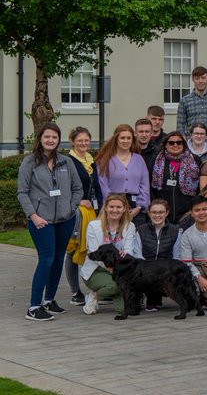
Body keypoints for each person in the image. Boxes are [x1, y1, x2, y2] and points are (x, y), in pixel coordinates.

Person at [17, 124, 83, 321]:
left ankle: (49, 300)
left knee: (57, 260)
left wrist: (71, 208)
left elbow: (78, 188)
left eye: (54, 137)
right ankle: (34, 306)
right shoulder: (29, 162)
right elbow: (22, 192)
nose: (51, 140)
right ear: (40, 138)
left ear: (58, 139)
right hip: (41, 221)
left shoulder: (66, 162)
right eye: (47, 137)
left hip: (65, 219)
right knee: (46, 259)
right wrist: (33, 216)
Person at [80, 193, 142, 317]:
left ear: (125, 208)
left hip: (119, 269)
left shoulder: (129, 226)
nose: (115, 210)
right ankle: (94, 296)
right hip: (96, 269)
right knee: (114, 285)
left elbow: (128, 251)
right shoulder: (94, 226)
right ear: (106, 207)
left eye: (119, 207)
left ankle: (107, 292)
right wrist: (112, 268)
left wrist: (119, 267)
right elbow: (94, 253)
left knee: (123, 310)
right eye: (111, 207)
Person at [62, 127, 98, 307]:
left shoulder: (91, 161)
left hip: (92, 210)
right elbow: (65, 187)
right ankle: (75, 291)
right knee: (73, 249)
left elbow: (96, 186)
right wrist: (79, 201)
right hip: (76, 211)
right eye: (80, 140)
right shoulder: (68, 161)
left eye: (86, 140)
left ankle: (97, 287)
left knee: (92, 248)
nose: (84, 143)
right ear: (72, 141)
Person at [96, 124, 150, 226]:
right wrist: (113, 205)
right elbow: (103, 185)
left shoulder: (139, 159)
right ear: (116, 139)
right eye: (122, 138)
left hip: (135, 208)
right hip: (113, 208)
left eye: (129, 138)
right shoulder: (105, 160)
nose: (126, 141)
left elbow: (144, 185)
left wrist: (139, 207)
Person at [137, 199, 179, 312]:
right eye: (154, 212)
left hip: (166, 270)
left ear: (167, 213)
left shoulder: (175, 230)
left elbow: (177, 256)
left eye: (161, 212)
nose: (157, 215)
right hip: (148, 271)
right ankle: (152, 298)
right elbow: (137, 254)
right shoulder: (141, 230)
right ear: (149, 213)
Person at [150, 131, 202, 223]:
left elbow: (199, 187)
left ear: (184, 145)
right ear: (165, 145)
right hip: (162, 213)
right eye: (171, 143)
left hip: (187, 213)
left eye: (179, 142)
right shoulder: (156, 160)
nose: (175, 145)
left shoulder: (194, 160)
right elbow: (150, 185)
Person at [177, 66, 207, 135]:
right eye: (197, 78)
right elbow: (180, 125)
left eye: (203, 78)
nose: (200, 81)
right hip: (191, 143)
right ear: (193, 79)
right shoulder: (184, 101)